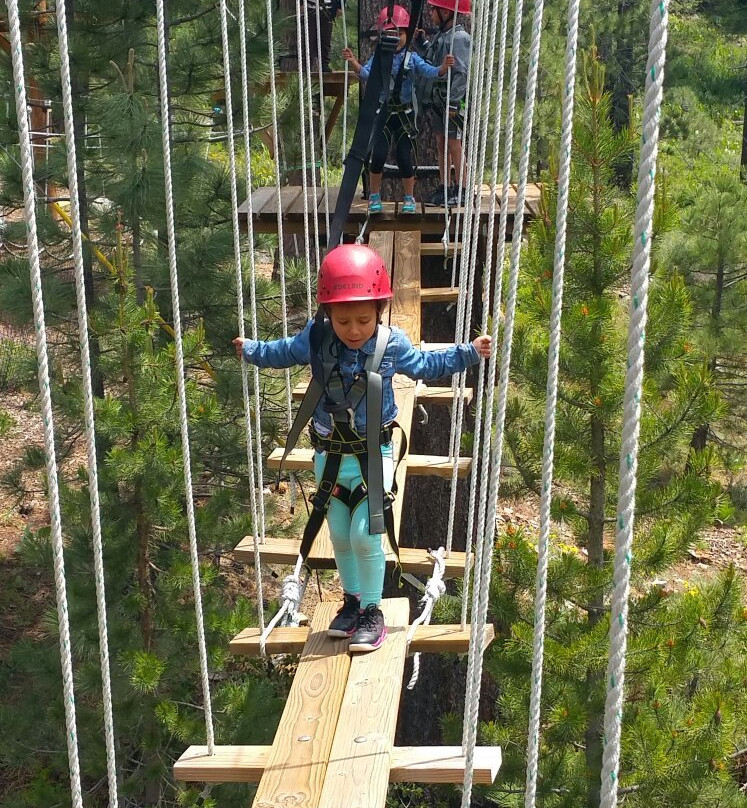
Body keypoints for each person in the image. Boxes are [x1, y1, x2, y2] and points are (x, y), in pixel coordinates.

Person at [233, 244, 491, 652]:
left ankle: (374, 611)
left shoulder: (390, 344)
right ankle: (352, 603)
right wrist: (251, 350)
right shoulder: (317, 338)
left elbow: (425, 364)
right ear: (327, 314)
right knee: (338, 532)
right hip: (329, 455)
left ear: (380, 310)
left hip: (374, 455)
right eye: (343, 320)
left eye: (363, 320)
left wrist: (468, 354)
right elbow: (283, 351)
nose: (354, 329)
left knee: (365, 533)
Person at [342, 5, 454, 214]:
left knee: (404, 156)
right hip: (383, 114)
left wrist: (442, 68)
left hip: (404, 115)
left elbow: (429, 71)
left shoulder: (412, 59)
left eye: (401, 34)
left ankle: (408, 198)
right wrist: (353, 62)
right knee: (379, 155)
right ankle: (374, 195)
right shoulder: (379, 58)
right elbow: (366, 75)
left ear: (407, 34)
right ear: (383, 36)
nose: (397, 38)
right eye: (391, 34)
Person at [415, 0, 471, 207]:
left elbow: (460, 72)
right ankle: (445, 186)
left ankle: (462, 188)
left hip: (451, 101)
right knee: (442, 143)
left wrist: (454, 103)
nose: (431, 13)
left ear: (446, 11)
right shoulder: (444, 36)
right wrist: (423, 44)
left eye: (434, 9)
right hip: (440, 101)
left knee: (454, 144)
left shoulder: (459, 38)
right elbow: (434, 58)